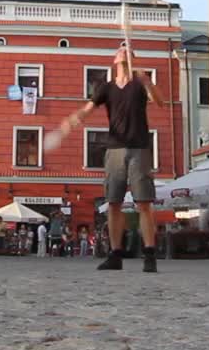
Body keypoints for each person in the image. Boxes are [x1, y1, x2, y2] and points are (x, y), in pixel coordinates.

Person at [60, 46, 163, 273]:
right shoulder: (106, 87)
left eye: (126, 49)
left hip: (139, 147)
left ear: (132, 58)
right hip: (114, 148)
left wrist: (148, 82)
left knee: (144, 203)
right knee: (114, 203)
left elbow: (161, 102)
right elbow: (89, 107)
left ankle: (149, 254)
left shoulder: (140, 83)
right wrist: (75, 118)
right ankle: (115, 255)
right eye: (119, 49)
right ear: (114, 59)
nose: (122, 51)